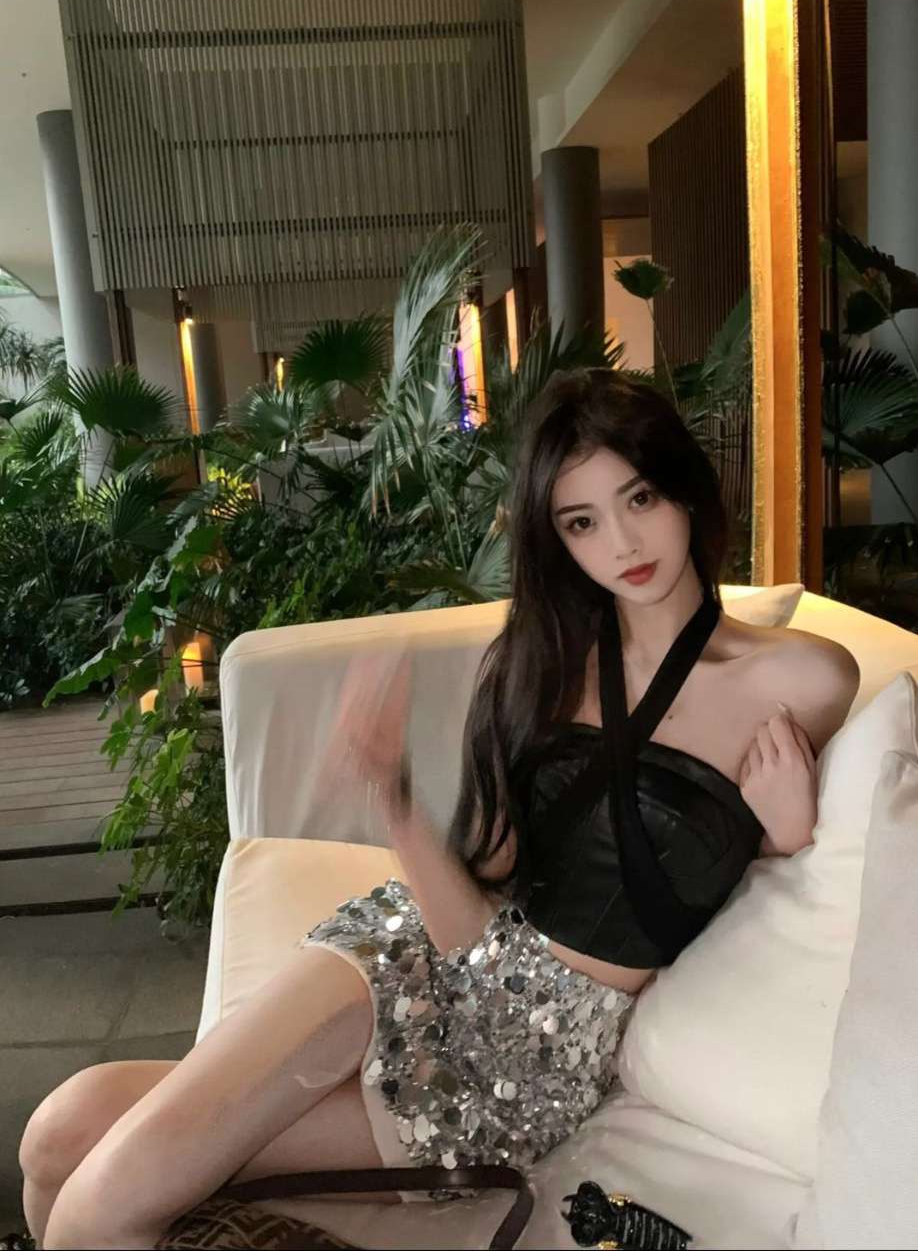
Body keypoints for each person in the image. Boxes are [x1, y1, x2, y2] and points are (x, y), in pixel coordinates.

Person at [21, 368, 860, 1250]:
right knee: (55, 1132)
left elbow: (740, 894)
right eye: (580, 521)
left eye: (639, 498)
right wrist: (391, 796)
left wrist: (787, 839)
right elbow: (476, 918)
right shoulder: (538, 663)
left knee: (91, 1186)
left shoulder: (804, 678)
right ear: (556, 539)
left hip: (526, 1065)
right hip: (406, 956)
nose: (622, 542)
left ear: (683, 487)